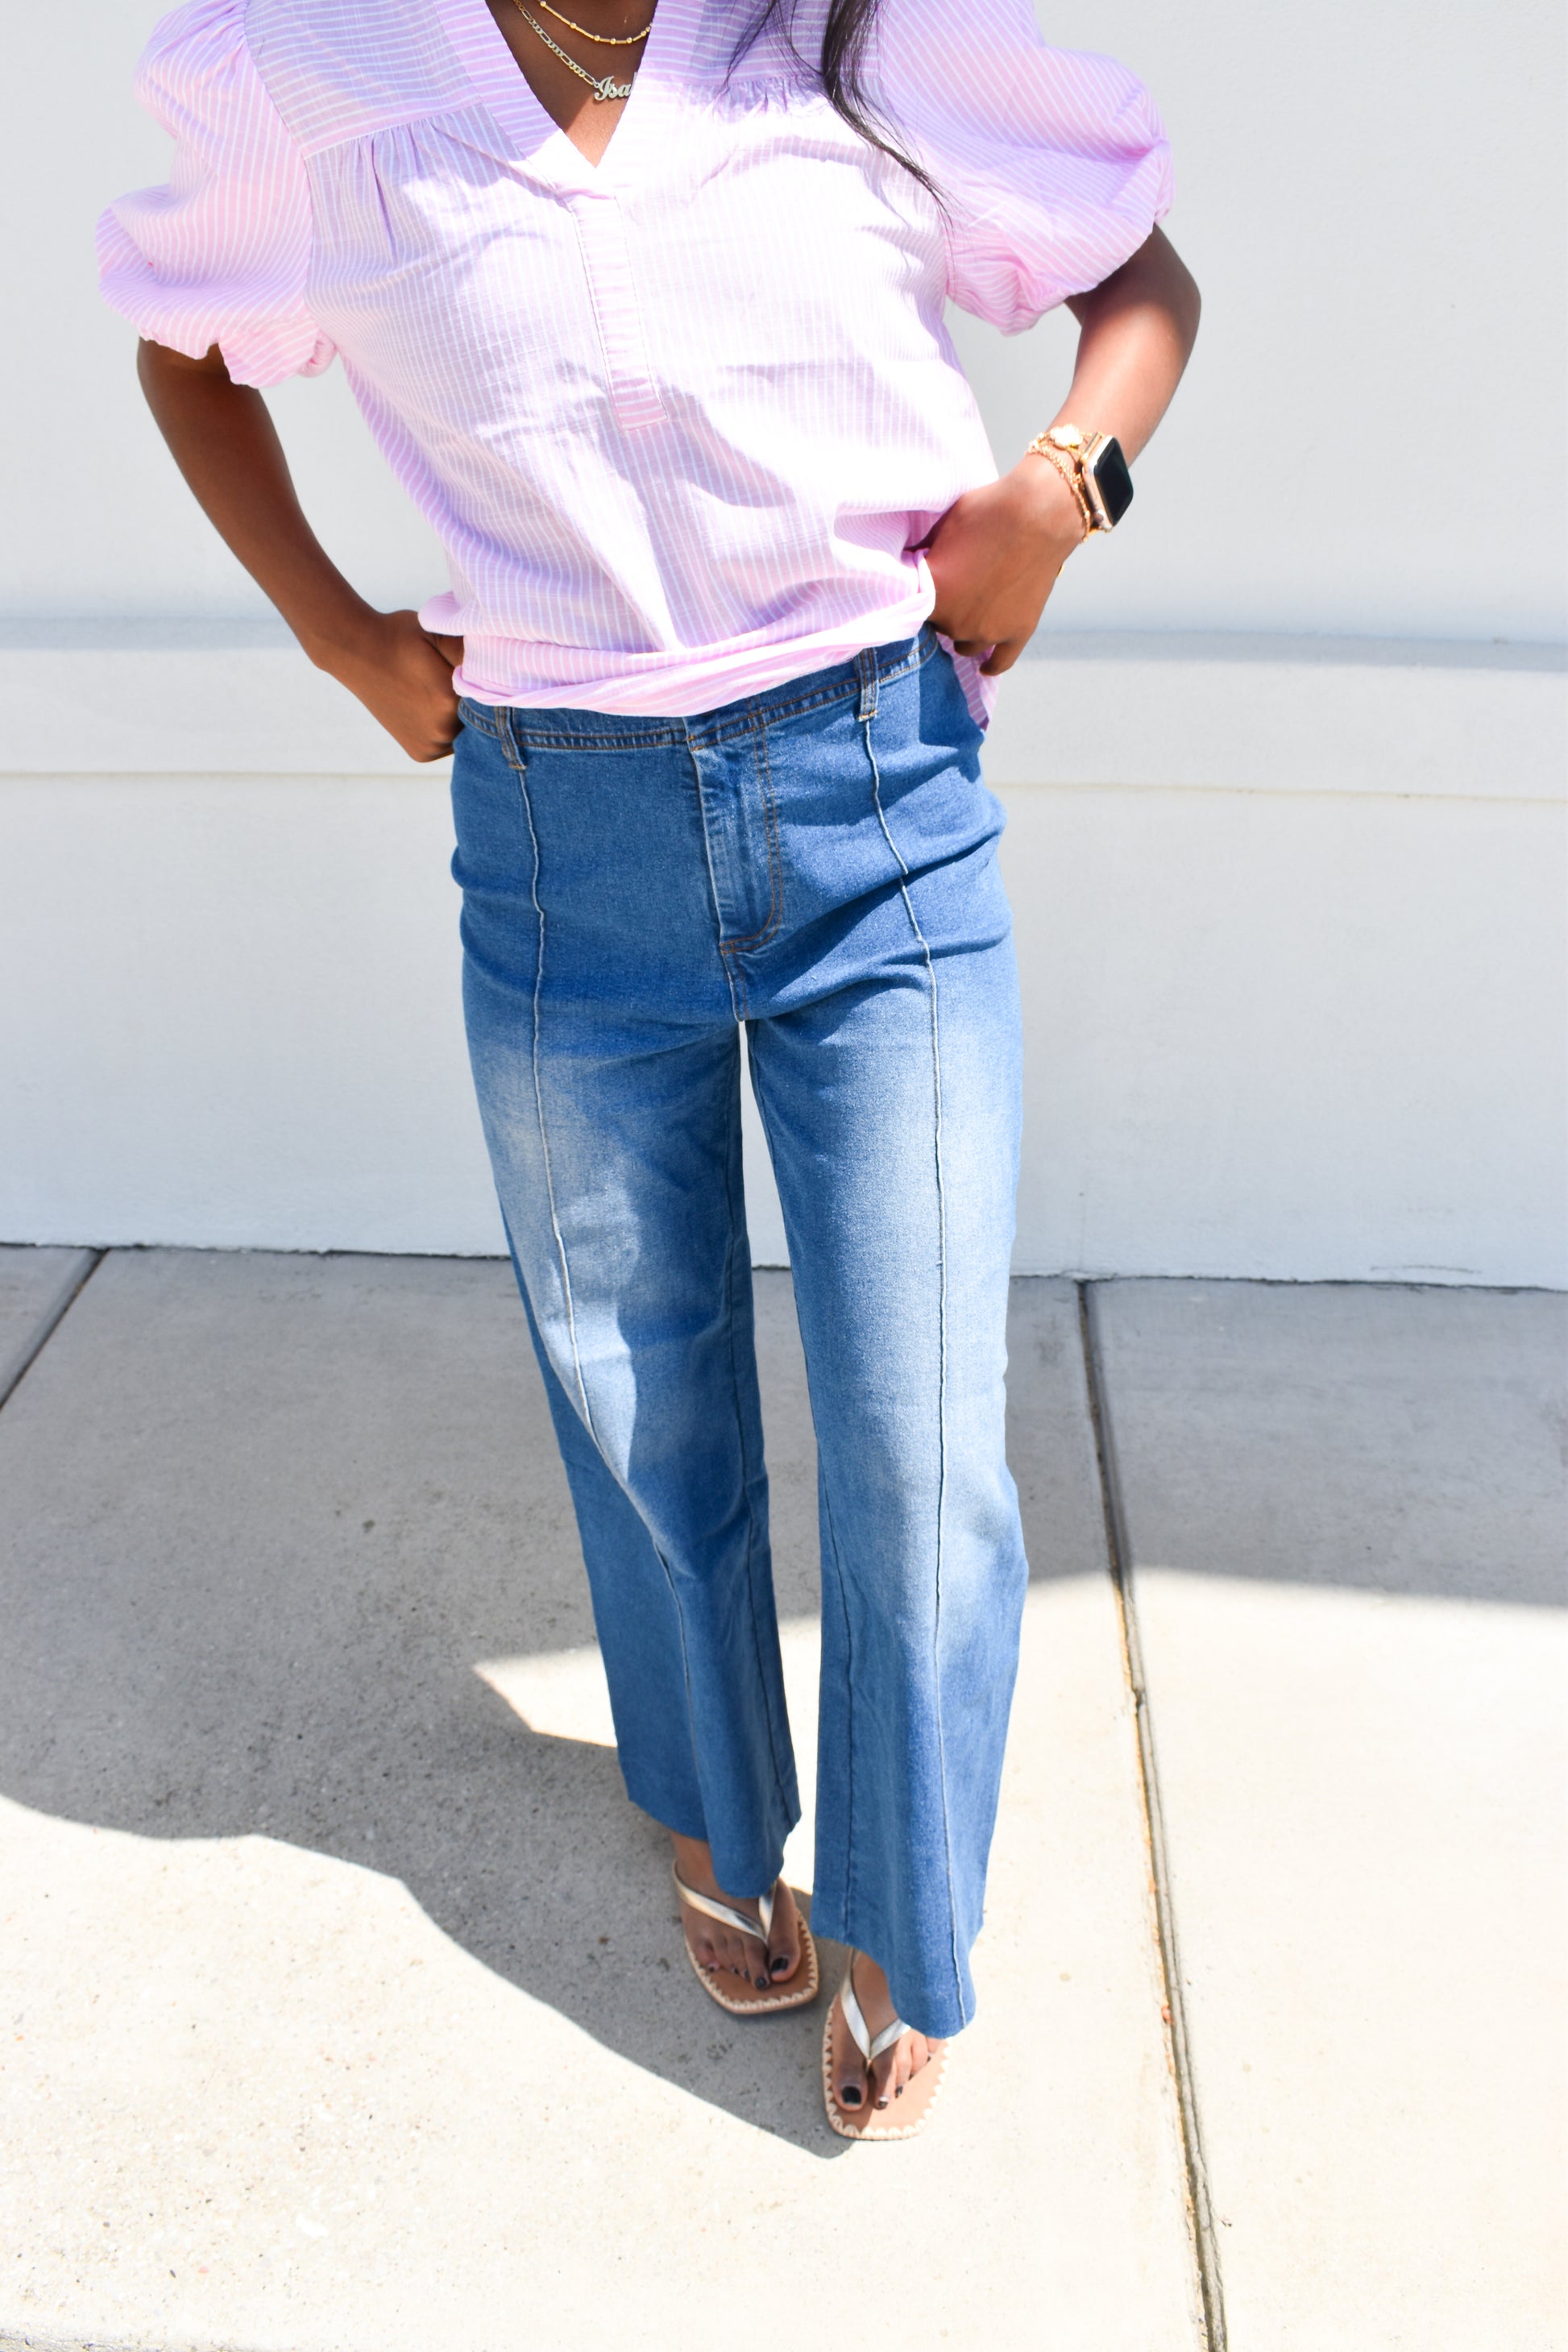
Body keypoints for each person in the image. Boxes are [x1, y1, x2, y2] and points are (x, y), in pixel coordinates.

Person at [100, 0, 1198, 2140]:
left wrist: (1057, 493)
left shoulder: (860, 29)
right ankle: (709, 1801)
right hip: (553, 830)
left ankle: (899, 1916)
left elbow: (1138, 274)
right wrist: (341, 636)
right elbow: (183, 349)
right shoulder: (302, 66)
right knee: (635, 1389)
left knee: (917, 1441)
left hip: (877, 804)